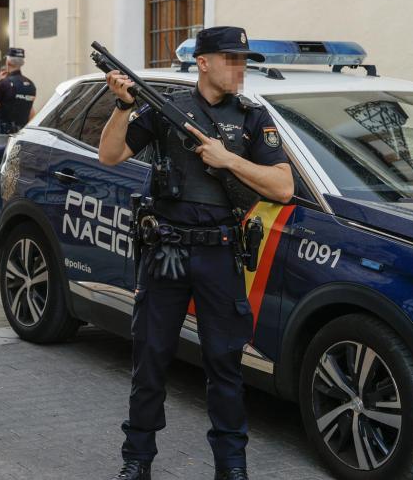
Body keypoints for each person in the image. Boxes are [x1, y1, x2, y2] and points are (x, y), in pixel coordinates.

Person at [96, 26, 294, 480]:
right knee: (150, 359)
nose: (240, 68)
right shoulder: (168, 109)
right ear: (203, 62)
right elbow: (109, 155)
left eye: (244, 60)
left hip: (219, 253)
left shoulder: (250, 116)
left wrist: (229, 161)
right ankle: (137, 460)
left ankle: (231, 466)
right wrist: (124, 106)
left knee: (224, 363)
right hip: (165, 249)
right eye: (231, 59)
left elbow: (283, 187)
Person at [0, 47, 37, 134]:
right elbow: (31, 114)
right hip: (22, 133)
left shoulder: (5, 83)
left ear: (8, 62)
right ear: (22, 63)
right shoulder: (31, 85)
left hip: (4, 134)